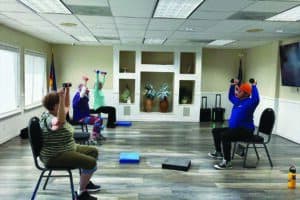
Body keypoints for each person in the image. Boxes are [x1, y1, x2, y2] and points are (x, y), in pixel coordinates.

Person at [40, 86, 100, 200]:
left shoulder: (56, 112)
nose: (63, 106)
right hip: (56, 155)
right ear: (54, 106)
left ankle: (85, 182)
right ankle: (81, 193)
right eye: (59, 103)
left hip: (67, 147)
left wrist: (66, 92)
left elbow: (66, 107)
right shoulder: (49, 118)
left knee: (93, 151)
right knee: (91, 163)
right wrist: (62, 97)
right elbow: (59, 121)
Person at [208, 78, 260, 170]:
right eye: (237, 90)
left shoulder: (250, 103)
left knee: (225, 135)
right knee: (215, 130)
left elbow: (256, 99)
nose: (237, 92)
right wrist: (232, 85)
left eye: (239, 91)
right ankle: (219, 152)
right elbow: (230, 96)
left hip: (245, 131)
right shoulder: (237, 101)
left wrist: (254, 86)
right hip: (235, 130)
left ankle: (227, 162)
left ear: (246, 94)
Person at [73, 76, 105, 141]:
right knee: (97, 120)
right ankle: (94, 136)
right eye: (85, 89)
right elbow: (82, 92)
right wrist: (85, 81)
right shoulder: (78, 96)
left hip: (85, 116)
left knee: (100, 119)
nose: (87, 90)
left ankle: (98, 134)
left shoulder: (83, 96)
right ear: (81, 90)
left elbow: (86, 97)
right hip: (81, 118)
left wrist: (87, 93)